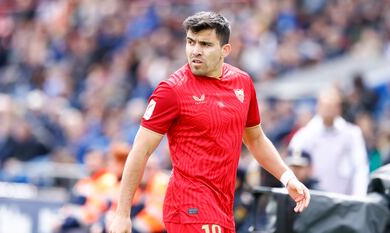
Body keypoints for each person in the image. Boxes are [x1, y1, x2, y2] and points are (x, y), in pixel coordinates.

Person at [110, 11, 310, 233]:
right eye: (190, 42)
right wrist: (122, 214)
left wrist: (287, 176)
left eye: (205, 44)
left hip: (223, 209)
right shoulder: (172, 90)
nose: (195, 51)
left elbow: (255, 138)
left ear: (225, 50)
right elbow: (140, 151)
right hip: (189, 208)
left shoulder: (242, 83)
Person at [289, 87, 369, 196]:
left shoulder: (352, 134)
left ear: (339, 108)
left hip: (345, 199)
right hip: (313, 198)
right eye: (325, 105)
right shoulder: (305, 135)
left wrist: (359, 197)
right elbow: (293, 166)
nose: (328, 109)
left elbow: (360, 168)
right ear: (318, 106)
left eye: (332, 105)